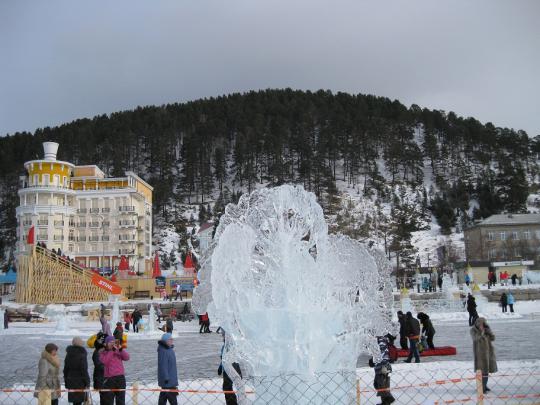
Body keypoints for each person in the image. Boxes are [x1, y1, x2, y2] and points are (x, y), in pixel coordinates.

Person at [100, 335, 130, 405]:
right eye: (110, 342)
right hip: (109, 379)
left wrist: (121, 349)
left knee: (121, 401)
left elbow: (127, 357)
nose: (112, 344)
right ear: (106, 343)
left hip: (120, 378)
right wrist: (112, 351)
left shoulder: (118, 351)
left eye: (113, 342)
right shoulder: (103, 353)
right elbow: (105, 361)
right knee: (108, 401)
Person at [471, 317, 497, 393]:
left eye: (483, 324)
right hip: (479, 355)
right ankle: (481, 388)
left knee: (486, 371)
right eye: (481, 324)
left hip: (488, 353)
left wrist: (489, 331)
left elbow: (493, 338)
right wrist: (482, 332)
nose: (482, 325)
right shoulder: (473, 330)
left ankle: (484, 386)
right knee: (481, 371)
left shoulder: (486, 329)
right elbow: (476, 338)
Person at [368, 335, 395, 405]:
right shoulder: (382, 339)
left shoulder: (380, 340)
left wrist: (372, 361)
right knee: (382, 385)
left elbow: (381, 353)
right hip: (384, 366)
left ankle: (388, 399)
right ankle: (386, 401)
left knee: (380, 385)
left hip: (383, 366)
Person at [218, 330, 242, 405]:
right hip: (231, 368)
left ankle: (232, 403)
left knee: (227, 387)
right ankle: (232, 402)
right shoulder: (227, 345)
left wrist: (221, 367)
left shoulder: (229, 345)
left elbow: (228, 358)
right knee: (228, 387)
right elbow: (224, 358)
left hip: (230, 369)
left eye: (223, 334)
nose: (222, 336)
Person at [63, 337, 90, 405]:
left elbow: (65, 369)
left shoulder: (68, 354)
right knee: (79, 401)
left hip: (70, 379)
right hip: (80, 380)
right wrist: (87, 381)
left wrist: (66, 381)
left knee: (75, 401)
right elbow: (84, 369)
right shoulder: (82, 354)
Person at [157, 333, 179, 405]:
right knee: (172, 399)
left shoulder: (169, 349)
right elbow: (163, 365)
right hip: (168, 380)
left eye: (172, 339)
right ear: (165, 341)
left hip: (170, 377)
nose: (172, 341)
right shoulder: (164, 351)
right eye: (170, 339)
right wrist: (166, 378)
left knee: (163, 397)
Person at [92, 332, 107, 404]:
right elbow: (98, 365)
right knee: (104, 398)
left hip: (105, 379)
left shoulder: (105, 351)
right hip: (101, 378)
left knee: (107, 398)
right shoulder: (97, 352)